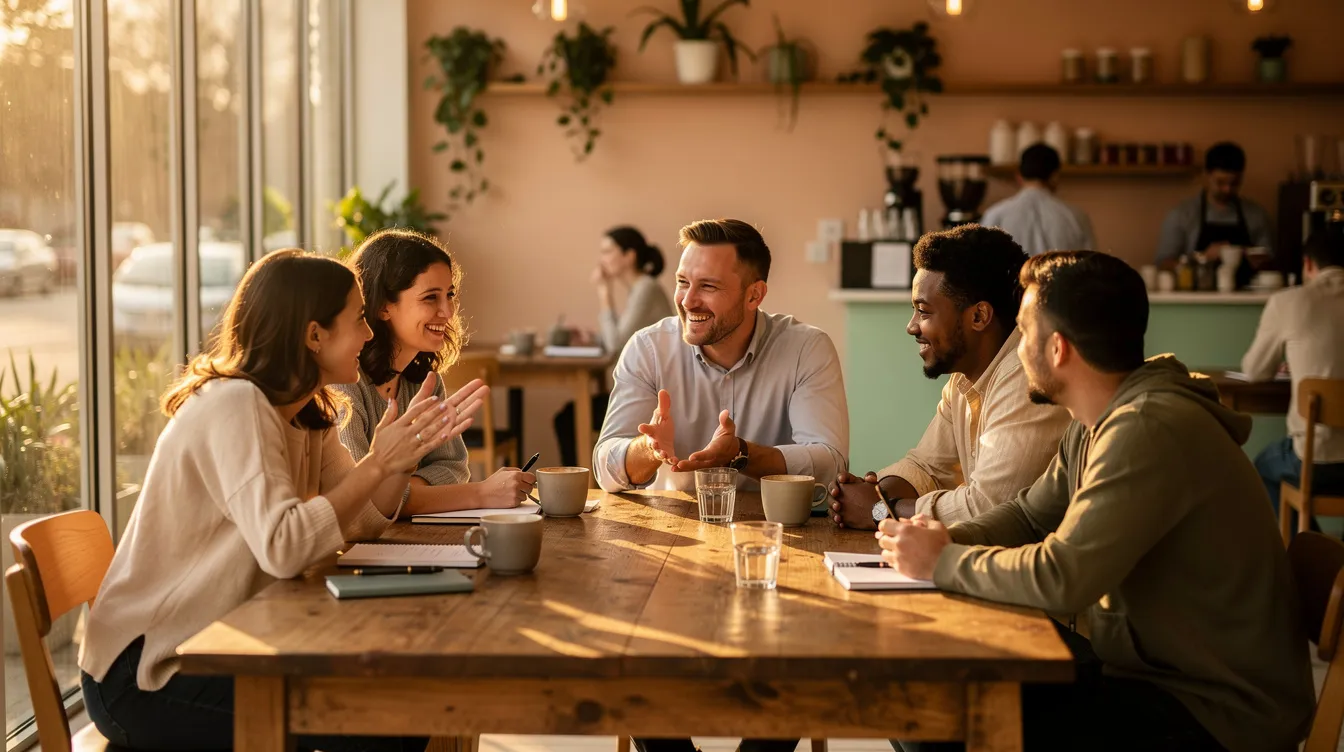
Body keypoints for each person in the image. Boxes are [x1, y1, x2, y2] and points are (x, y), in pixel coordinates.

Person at [880, 251, 1315, 752]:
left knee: (934, 718)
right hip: (1151, 674)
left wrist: (944, 562)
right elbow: (1029, 513)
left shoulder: (1147, 427)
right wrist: (941, 540)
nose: (1017, 351)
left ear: (1058, 349)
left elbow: (1064, 578)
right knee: (927, 691)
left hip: (1217, 712)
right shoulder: (1097, 422)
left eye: (1024, 333)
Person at [78, 250, 488, 751]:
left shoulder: (307, 412)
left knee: (396, 708)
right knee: (383, 717)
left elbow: (361, 520)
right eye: (358, 319)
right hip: (147, 673)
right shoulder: (236, 405)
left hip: (217, 645)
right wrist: (378, 463)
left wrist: (399, 459)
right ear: (315, 335)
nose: (366, 334)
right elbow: (285, 546)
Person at [594, 219, 847, 752]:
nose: (688, 300)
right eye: (684, 282)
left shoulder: (806, 348)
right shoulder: (648, 348)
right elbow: (605, 462)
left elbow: (829, 462)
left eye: (708, 286)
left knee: (799, 658)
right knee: (634, 650)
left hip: (784, 554)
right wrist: (647, 451)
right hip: (671, 552)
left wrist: (742, 454)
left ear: (755, 294)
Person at [828, 225, 1071, 529]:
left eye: (924, 312)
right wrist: (871, 492)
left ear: (979, 316)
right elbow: (927, 467)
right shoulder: (963, 380)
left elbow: (989, 508)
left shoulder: (1026, 378)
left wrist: (882, 511)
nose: (912, 326)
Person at [337, 229, 535, 513]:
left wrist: (400, 495)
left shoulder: (424, 382)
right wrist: (479, 494)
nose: (448, 311)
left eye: (450, 295)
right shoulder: (343, 385)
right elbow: (361, 502)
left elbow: (453, 467)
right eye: (431, 297)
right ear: (383, 306)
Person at [1242, 228, 1344, 519]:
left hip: (1315, 460)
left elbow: (1254, 370)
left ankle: (1315, 553)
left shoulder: (1289, 301)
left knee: (1262, 468)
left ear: (1309, 264)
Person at [555, 226, 675, 466]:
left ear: (629, 256)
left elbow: (616, 343)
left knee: (567, 418)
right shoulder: (641, 289)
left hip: (655, 397)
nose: (602, 259)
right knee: (567, 416)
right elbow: (626, 338)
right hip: (652, 389)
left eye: (608, 251)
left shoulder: (646, 288)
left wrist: (603, 292)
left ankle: (580, 484)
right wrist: (594, 338)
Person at [1155, 142, 1274, 281]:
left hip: (1247, 295)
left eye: (1234, 183)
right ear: (1207, 175)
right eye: (1220, 182)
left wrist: (1247, 255)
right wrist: (1202, 259)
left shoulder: (1256, 215)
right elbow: (1163, 264)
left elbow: (1271, 261)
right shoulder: (1182, 215)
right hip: (1197, 297)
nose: (1227, 189)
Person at [980, 144, 1095, 257]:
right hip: (1060, 276)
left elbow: (979, 264)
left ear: (1019, 176)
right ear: (1055, 176)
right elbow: (1090, 267)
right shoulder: (1076, 217)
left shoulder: (995, 215)